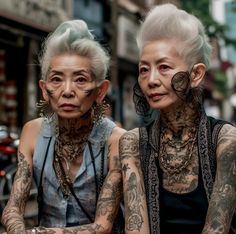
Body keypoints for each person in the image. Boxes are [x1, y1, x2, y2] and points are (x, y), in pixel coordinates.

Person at [119, 3, 236, 234]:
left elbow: (217, 229)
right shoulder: (132, 143)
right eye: (144, 69)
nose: (151, 80)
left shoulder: (225, 140)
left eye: (163, 67)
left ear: (196, 74)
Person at [1, 19, 126, 233]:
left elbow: (101, 227)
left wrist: (36, 233)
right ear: (44, 88)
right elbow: (12, 207)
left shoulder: (117, 140)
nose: (67, 91)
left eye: (80, 80)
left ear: (101, 90)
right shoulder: (32, 132)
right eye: (56, 79)